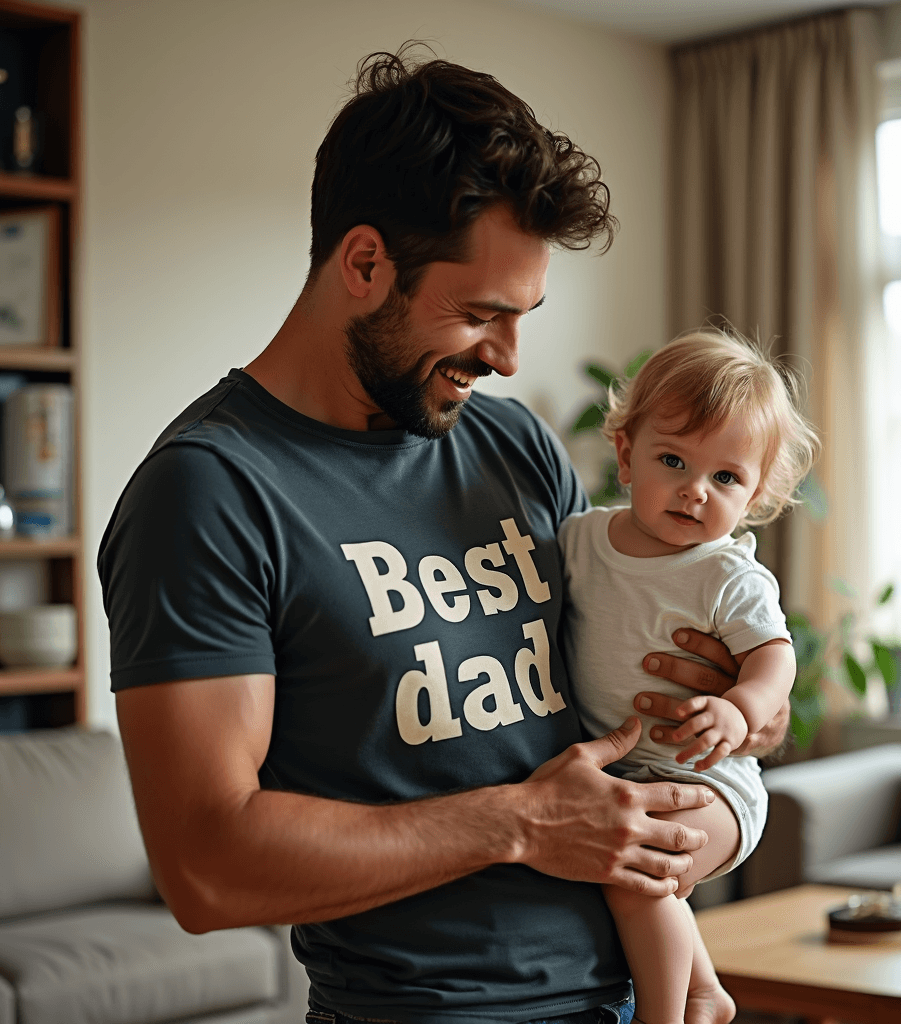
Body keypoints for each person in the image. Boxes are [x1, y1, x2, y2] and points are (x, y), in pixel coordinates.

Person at [98, 50, 790, 1024]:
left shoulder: (512, 446)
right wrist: (520, 825)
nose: (506, 357)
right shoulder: (209, 494)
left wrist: (734, 755)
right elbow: (207, 868)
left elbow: (644, 697)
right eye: (479, 314)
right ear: (364, 264)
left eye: (523, 316)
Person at [558, 330, 819, 1024]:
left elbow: (776, 655)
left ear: (755, 494)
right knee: (642, 868)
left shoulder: (727, 573)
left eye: (726, 478)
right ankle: (704, 991)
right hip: (628, 776)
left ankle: (665, 1014)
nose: (695, 490)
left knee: (638, 870)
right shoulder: (580, 541)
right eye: (673, 460)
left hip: (713, 783)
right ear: (625, 455)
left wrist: (742, 709)